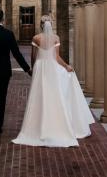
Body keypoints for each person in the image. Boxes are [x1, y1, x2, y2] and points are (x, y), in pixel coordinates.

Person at [12, 14, 94, 147]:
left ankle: (36, 127)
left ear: (41, 25)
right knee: (54, 94)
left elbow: (33, 57)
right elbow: (56, 58)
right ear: (51, 24)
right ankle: (57, 124)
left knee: (39, 95)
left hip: (40, 66)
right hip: (52, 67)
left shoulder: (36, 38)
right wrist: (66, 66)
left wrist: (33, 70)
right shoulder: (56, 38)